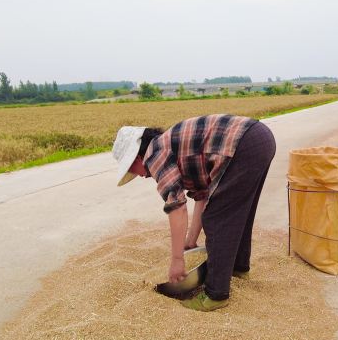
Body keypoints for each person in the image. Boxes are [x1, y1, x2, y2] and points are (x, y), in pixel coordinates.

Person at [112, 114, 276, 311]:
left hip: (243, 143)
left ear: (137, 157)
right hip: (258, 138)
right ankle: (238, 268)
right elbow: (203, 195)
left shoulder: (154, 154)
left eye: (133, 170)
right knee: (238, 213)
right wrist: (190, 242)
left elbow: (177, 207)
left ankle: (216, 294)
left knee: (217, 218)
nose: (140, 175)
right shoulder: (172, 146)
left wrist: (177, 260)